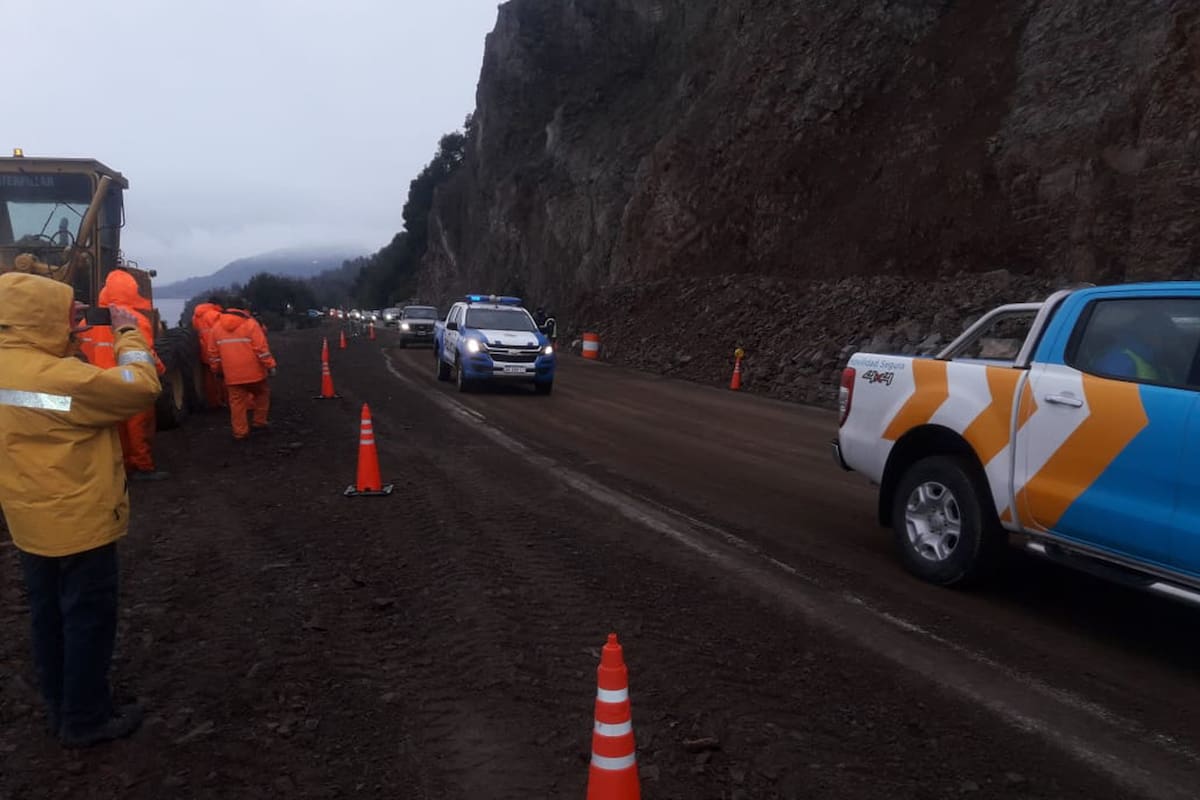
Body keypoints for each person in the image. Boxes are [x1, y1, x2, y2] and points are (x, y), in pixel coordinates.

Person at [0, 271, 161, 747]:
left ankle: (60, 705)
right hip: (78, 521)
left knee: (48, 617)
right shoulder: (63, 379)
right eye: (66, 314)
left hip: (28, 519)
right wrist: (128, 330)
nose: (74, 322)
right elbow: (141, 386)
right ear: (39, 318)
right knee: (88, 617)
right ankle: (86, 718)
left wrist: (64, 340)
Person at [97, 270, 168, 480]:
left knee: (117, 428)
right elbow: (144, 352)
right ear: (132, 290)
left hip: (103, 383)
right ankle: (143, 466)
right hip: (130, 380)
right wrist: (160, 370)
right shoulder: (136, 320)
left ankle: (124, 466)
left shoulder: (89, 322)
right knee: (139, 425)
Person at [208, 298, 276, 440]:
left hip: (232, 375)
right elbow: (261, 349)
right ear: (243, 308)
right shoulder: (251, 324)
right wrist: (270, 365)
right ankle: (259, 422)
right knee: (262, 394)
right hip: (255, 373)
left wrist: (217, 370)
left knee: (237, 404)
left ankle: (240, 433)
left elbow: (213, 354)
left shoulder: (216, 327)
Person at [191, 298, 226, 409]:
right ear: (217, 304)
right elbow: (222, 332)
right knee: (223, 376)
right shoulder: (216, 315)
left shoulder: (196, 316)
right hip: (216, 349)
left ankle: (213, 402)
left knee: (209, 378)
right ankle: (226, 400)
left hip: (203, 351)